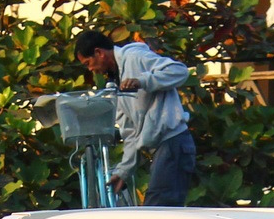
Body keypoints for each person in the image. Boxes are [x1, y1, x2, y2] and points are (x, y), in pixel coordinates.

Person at [74, 31, 196, 207]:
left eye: (88, 63)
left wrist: (143, 80)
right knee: (158, 211)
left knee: (157, 211)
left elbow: (179, 71)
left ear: (99, 52)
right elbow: (131, 132)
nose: (90, 69)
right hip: (162, 148)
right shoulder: (114, 84)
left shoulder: (134, 56)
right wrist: (124, 171)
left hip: (173, 142)